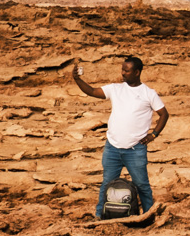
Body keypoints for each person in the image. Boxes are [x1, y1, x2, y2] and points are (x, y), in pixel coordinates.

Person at [72, 55, 169, 219]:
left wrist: (153, 134)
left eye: (127, 70)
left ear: (137, 72)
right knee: (107, 184)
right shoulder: (115, 89)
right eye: (122, 69)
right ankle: (99, 216)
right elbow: (92, 91)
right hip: (112, 148)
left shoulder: (148, 93)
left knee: (142, 185)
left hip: (135, 149)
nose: (123, 73)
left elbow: (164, 114)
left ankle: (148, 215)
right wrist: (76, 79)